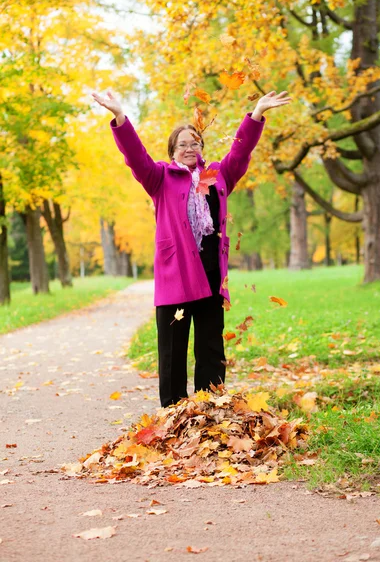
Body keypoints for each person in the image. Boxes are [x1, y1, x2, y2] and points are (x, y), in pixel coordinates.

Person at [91, 89, 291, 407]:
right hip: (176, 278)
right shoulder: (159, 177)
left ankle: (210, 406)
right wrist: (120, 117)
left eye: (194, 142)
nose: (189, 147)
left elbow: (240, 154)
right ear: (173, 150)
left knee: (211, 347)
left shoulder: (215, 176)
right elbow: (135, 155)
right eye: (182, 144)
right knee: (172, 349)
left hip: (211, 277)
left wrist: (256, 115)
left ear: (201, 147)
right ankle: (173, 413)